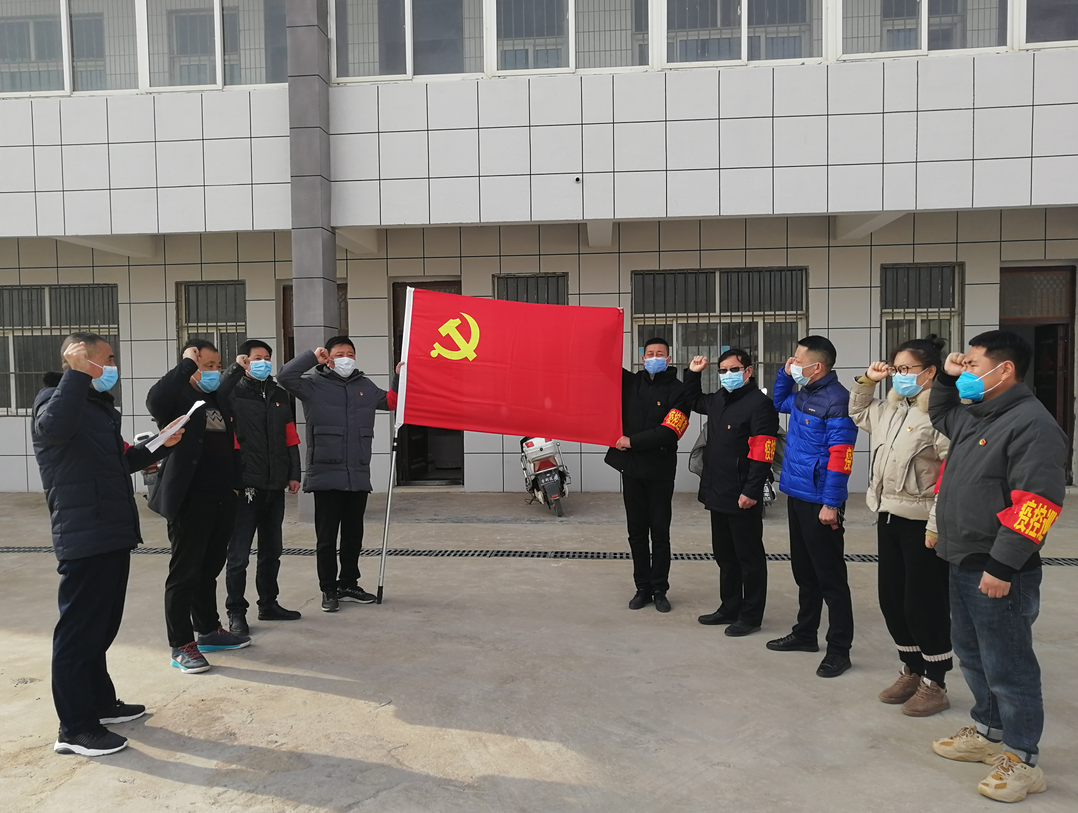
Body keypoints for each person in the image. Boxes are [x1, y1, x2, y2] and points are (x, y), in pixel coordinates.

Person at [927, 330, 1067, 803]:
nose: (966, 371)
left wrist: (1003, 566)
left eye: (973, 365)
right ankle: (989, 731)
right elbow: (941, 414)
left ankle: (1023, 758)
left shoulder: (1033, 425)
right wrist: (947, 378)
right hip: (963, 556)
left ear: (1004, 369)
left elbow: (1037, 506)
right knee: (972, 653)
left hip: (998, 567)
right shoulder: (979, 413)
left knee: (1009, 666)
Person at [33, 333, 184, 756]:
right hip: (84, 532)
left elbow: (121, 460)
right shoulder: (53, 400)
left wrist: (160, 443)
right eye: (107, 359)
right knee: (78, 633)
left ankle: (99, 703)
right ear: (79, 360)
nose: (113, 367)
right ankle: (74, 728)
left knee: (101, 627)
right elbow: (53, 430)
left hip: (111, 529)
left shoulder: (96, 409)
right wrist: (75, 375)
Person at [849, 336, 951, 716]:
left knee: (923, 603)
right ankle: (912, 668)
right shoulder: (890, 409)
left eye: (907, 369)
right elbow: (858, 412)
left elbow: (951, 475)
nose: (900, 376)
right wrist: (868, 381)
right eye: (897, 369)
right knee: (892, 598)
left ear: (930, 372)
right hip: (888, 514)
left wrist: (937, 525)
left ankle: (935, 682)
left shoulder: (942, 415)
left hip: (923, 523)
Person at [147, 340, 250, 674]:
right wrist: (186, 365)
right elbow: (155, 399)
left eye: (216, 366)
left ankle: (207, 630)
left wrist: (235, 487)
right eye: (207, 366)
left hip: (222, 495)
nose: (213, 372)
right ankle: (181, 644)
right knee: (185, 573)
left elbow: (231, 443)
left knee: (209, 569)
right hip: (190, 498)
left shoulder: (217, 397)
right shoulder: (177, 398)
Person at [278, 336, 400, 613]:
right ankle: (328, 589)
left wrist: (399, 377)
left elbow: (391, 401)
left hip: (357, 472)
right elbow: (285, 377)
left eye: (350, 353)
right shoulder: (312, 385)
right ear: (329, 358)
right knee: (326, 537)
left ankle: (348, 584)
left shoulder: (364, 386)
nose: (346, 358)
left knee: (353, 535)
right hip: (326, 473)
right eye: (339, 353)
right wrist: (312, 357)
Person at [769, 335, 858, 678]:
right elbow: (778, 401)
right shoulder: (803, 394)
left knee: (830, 578)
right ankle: (805, 633)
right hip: (797, 493)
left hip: (821, 501)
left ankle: (839, 649)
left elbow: (840, 457)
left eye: (797, 359)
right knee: (804, 572)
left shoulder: (837, 400)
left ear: (817, 366)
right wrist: (784, 373)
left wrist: (831, 503)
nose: (792, 363)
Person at [684, 350, 779, 637]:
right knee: (725, 555)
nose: (728, 375)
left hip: (742, 494)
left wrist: (752, 490)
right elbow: (692, 400)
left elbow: (763, 453)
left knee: (749, 558)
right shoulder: (718, 399)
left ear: (748, 371)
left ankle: (750, 616)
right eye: (723, 370)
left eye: (734, 369)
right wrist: (693, 373)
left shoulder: (760, 405)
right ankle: (729, 606)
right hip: (718, 491)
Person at [218, 340, 303, 637]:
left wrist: (294, 473)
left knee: (272, 550)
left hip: (275, 484)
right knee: (238, 554)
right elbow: (218, 393)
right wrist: (234, 369)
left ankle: (269, 603)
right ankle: (236, 612)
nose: (263, 363)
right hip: (246, 485)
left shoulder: (278, 394)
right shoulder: (233, 392)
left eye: (267, 358)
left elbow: (290, 437)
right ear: (245, 360)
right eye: (257, 358)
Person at [604, 337, 689, 613]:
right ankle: (642, 587)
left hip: (660, 471)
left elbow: (670, 431)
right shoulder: (630, 383)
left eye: (660, 354)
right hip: (632, 469)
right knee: (637, 532)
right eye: (650, 353)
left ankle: (659, 588)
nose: (654, 358)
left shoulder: (679, 391)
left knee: (660, 532)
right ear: (642, 358)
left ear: (669, 358)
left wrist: (632, 441)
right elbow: (601, 364)